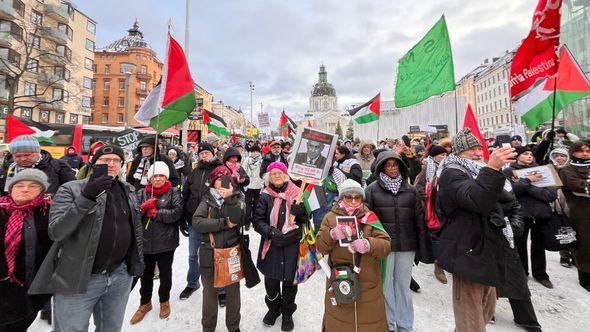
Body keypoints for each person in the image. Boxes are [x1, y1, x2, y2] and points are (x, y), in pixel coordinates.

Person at [28, 145, 145, 332]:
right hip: (78, 278)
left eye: (117, 161)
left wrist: (134, 266)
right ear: (93, 163)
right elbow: (57, 231)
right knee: (71, 329)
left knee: (111, 328)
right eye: (105, 160)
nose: (111, 164)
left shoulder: (128, 190)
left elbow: (133, 230)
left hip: (119, 276)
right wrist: (87, 196)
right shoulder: (71, 189)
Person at [436, 128, 516, 332]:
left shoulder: (477, 170)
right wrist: (491, 170)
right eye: (471, 149)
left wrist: (514, 223)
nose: (478, 153)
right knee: (471, 320)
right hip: (467, 252)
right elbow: (476, 200)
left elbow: (506, 202)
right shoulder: (452, 173)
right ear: (459, 152)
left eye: (479, 148)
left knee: (485, 310)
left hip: (486, 249)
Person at [364, 151, 431, 332]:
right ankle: (389, 323)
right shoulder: (371, 190)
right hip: (384, 247)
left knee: (402, 285)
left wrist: (422, 247)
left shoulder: (410, 191)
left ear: (401, 166)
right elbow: (367, 221)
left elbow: (419, 220)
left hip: (406, 246)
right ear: (381, 168)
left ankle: (405, 324)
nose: (392, 168)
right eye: (388, 165)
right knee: (385, 286)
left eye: (395, 165)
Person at [316, 179, 391, 331]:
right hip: (340, 281)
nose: (353, 201)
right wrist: (331, 234)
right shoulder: (330, 217)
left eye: (357, 197)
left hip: (368, 283)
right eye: (348, 197)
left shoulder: (370, 217)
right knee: (340, 323)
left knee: (369, 323)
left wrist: (368, 244)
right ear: (341, 198)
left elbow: (386, 245)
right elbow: (320, 247)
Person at [253, 161, 308, 331]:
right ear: (269, 177)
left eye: (280, 173)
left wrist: (302, 213)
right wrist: (270, 231)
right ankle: (273, 309)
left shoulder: (298, 194)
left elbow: (307, 220)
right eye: (273, 174)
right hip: (272, 246)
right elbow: (257, 221)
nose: (277, 176)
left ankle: (287, 313)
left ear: (286, 175)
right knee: (271, 281)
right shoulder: (265, 196)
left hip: (292, 245)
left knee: (290, 283)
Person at [193, 166, 245, 332]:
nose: (222, 183)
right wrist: (222, 223)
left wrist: (229, 199)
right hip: (210, 253)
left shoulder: (238, 197)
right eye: (218, 179)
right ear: (213, 182)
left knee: (233, 294)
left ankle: (233, 327)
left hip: (231, 253)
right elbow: (197, 222)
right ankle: (208, 328)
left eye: (226, 179)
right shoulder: (207, 200)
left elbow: (238, 219)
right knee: (209, 295)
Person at [130, 162, 183, 324]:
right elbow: (133, 216)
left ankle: (164, 301)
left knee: (165, 274)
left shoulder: (174, 192)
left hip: (166, 242)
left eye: (161, 176)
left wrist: (157, 213)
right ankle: (145, 303)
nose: (158, 179)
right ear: (150, 178)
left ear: (166, 177)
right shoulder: (141, 193)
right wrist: (142, 209)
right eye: (155, 176)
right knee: (145, 275)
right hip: (145, 243)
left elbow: (177, 213)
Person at [0, 169, 52, 332]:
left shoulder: (49, 213)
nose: (25, 189)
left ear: (42, 191)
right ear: (11, 188)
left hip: (27, 293)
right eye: (19, 185)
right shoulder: (2, 209)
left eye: (33, 185)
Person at [504, 146, 558, 289]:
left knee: (539, 246)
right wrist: (528, 180)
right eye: (525, 154)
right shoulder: (509, 172)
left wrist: (526, 185)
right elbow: (510, 192)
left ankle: (541, 274)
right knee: (520, 245)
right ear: (517, 156)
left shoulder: (543, 171)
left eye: (531, 154)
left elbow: (550, 195)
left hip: (541, 215)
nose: (530, 156)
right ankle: (522, 273)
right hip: (521, 215)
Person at [492, 188, 543, 332]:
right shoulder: (466, 175)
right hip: (481, 237)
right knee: (484, 277)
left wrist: (513, 226)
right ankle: (487, 310)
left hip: (506, 236)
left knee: (516, 278)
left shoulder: (504, 181)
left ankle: (525, 318)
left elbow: (515, 207)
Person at [179, 142, 223, 300]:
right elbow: (185, 194)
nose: (204, 155)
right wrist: (183, 217)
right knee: (193, 255)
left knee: (217, 255)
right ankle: (192, 283)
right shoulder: (194, 171)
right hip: (194, 221)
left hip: (214, 220)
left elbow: (227, 194)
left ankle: (222, 289)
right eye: (201, 153)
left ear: (213, 153)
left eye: (207, 153)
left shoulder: (220, 170)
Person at [413, 144, 448, 284]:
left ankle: (447, 261)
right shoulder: (427, 168)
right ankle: (438, 266)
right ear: (434, 156)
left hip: (446, 207)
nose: (444, 157)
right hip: (432, 208)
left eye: (445, 155)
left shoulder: (448, 168)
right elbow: (418, 186)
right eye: (441, 155)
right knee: (436, 236)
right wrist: (429, 197)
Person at [559, 140, 590, 292]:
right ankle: (585, 277)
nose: (585, 154)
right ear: (573, 152)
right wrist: (585, 185)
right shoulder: (567, 170)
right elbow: (577, 186)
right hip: (580, 213)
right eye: (581, 151)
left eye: (588, 151)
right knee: (584, 244)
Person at [0, 135, 75, 196]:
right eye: (18, 156)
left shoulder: (58, 165)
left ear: (38, 152)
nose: (23, 159)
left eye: (27, 155)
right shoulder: (5, 169)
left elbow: (72, 190)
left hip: (49, 211)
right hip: (13, 212)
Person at [242, 143, 264, 230]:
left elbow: (263, 172)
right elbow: (243, 171)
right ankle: (247, 222)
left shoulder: (262, 160)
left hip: (258, 186)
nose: (255, 152)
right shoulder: (247, 160)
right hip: (249, 186)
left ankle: (255, 222)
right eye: (253, 151)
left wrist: (262, 183)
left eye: (256, 151)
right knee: (248, 205)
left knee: (256, 205)